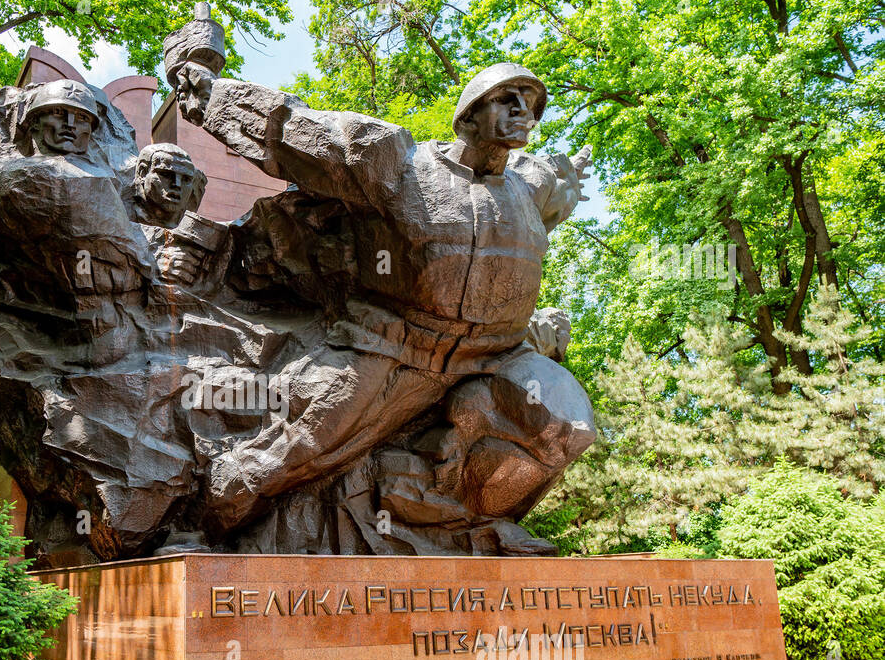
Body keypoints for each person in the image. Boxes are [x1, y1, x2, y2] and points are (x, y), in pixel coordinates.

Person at [169, 43, 595, 537]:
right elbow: (294, 130)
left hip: (497, 354)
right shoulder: (400, 164)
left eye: (532, 104)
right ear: (467, 117)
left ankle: (466, 522)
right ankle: (196, 529)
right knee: (297, 451)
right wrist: (207, 93)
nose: (524, 112)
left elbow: (559, 190)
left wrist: (573, 175)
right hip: (394, 344)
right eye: (507, 99)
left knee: (566, 426)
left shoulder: (528, 188)